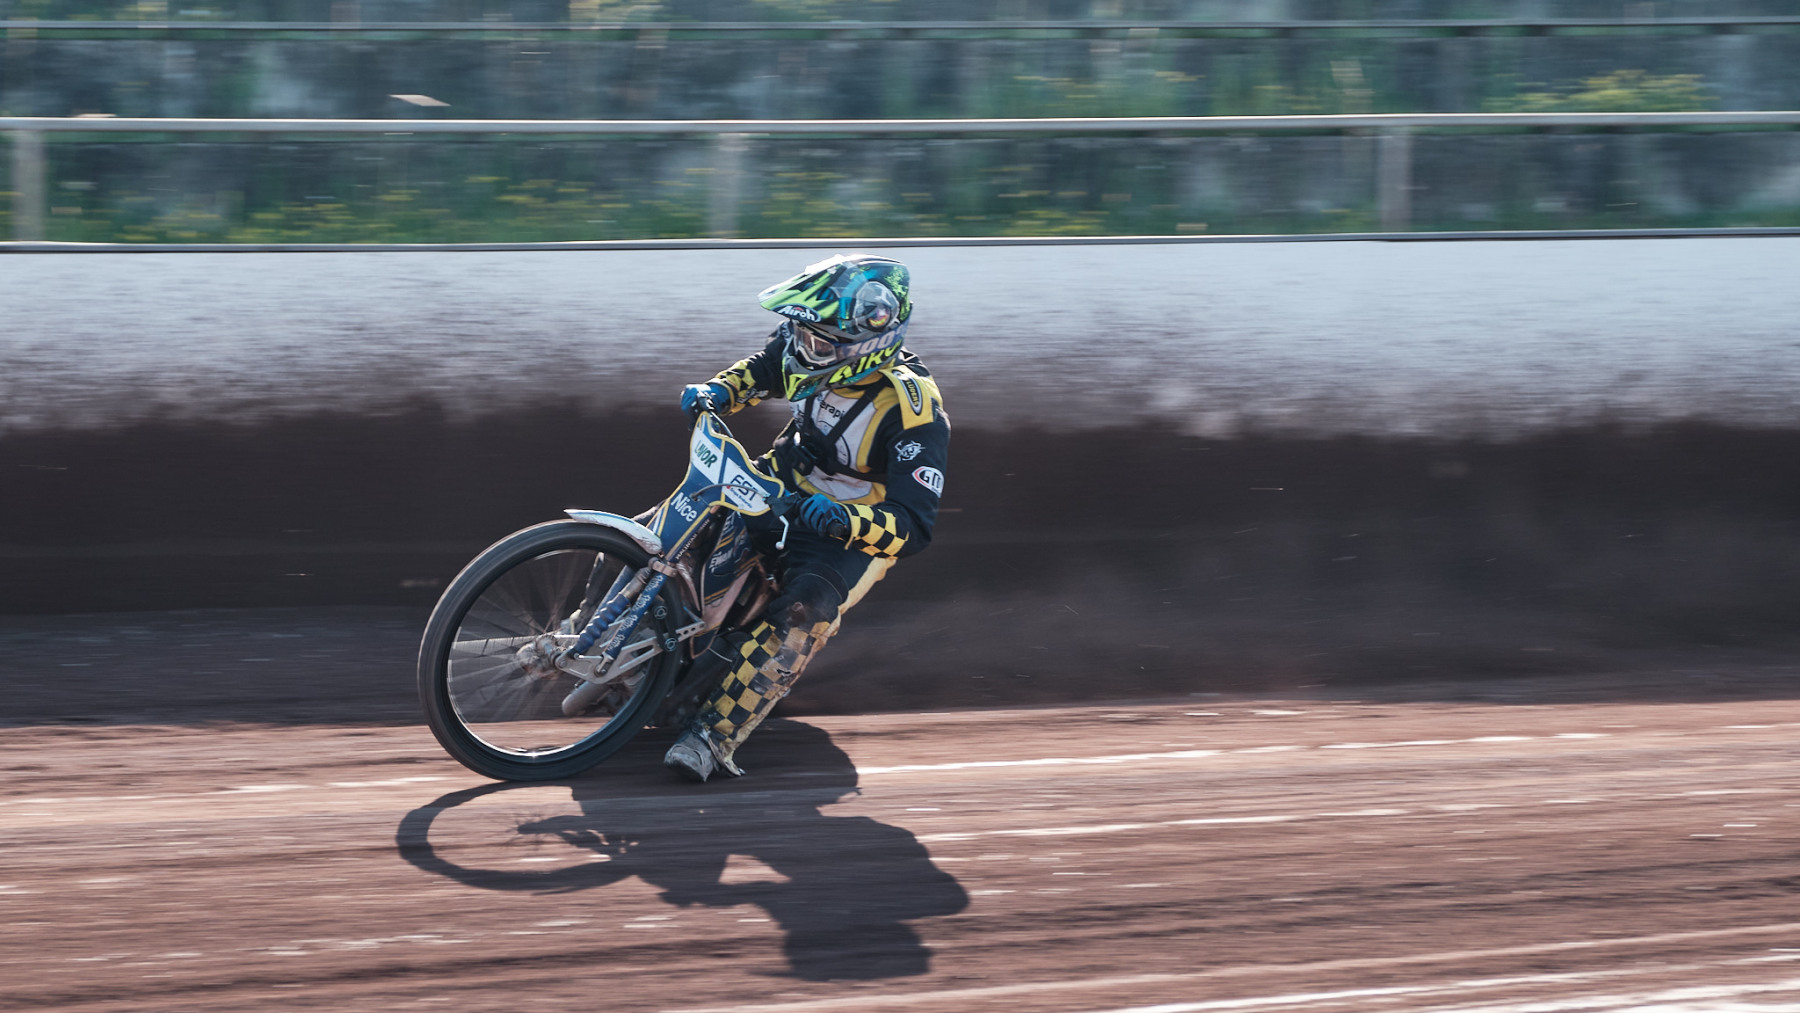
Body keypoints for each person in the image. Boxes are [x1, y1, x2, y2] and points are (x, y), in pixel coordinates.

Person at [662, 254, 949, 782]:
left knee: (805, 612)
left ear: (862, 343)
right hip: (780, 478)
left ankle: (712, 737)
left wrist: (841, 518)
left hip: (849, 531)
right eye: (800, 333)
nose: (801, 347)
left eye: (817, 341)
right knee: (668, 527)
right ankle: (588, 628)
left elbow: (913, 526)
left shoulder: (914, 410)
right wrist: (720, 390)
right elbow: (766, 366)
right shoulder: (805, 343)